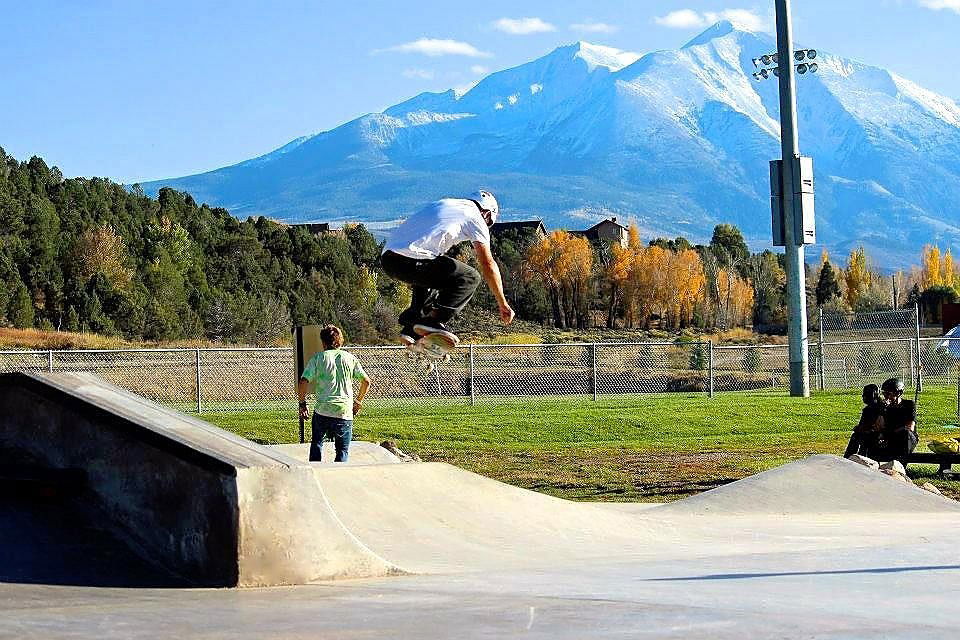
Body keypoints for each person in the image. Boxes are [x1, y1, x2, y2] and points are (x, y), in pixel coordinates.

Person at [380, 190, 515, 346]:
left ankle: (412, 328)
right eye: (488, 222)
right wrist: (502, 303)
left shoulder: (444, 204)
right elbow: (488, 264)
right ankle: (434, 321)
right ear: (486, 213)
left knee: (434, 274)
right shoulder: (475, 216)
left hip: (389, 260)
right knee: (470, 277)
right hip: (411, 260)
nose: (486, 226)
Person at [297, 324, 370, 462]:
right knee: (342, 450)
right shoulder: (350, 358)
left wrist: (302, 403)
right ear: (340, 340)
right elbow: (366, 381)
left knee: (317, 444)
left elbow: (303, 381)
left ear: (323, 342)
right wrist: (358, 401)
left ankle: (315, 469)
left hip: (322, 410)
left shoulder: (318, 358)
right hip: (344, 412)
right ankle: (339, 472)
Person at [843, 383, 885, 459]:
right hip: (868, 433)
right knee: (856, 436)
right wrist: (859, 428)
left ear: (873, 395)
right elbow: (862, 424)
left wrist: (863, 428)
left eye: (865, 395)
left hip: (878, 435)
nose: (863, 397)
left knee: (862, 438)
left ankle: (852, 458)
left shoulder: (882, 408)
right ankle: (848, 458)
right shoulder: (867, 410)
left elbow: (878, 426)